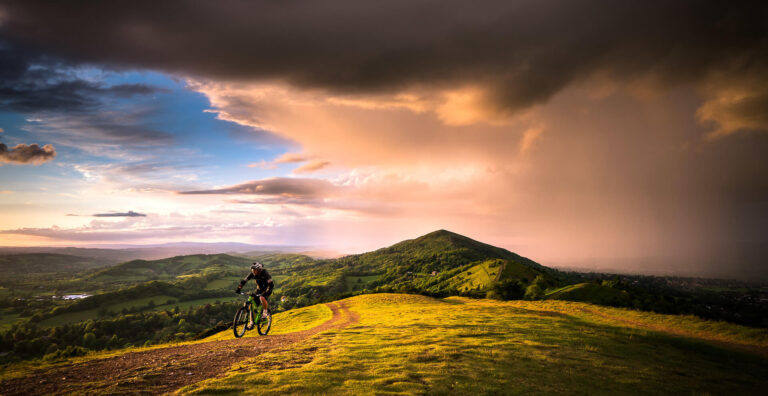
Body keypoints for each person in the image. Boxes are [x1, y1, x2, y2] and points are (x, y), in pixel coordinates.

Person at [235, 262, 274, 328]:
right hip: (259, 289)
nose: (253, 271)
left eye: (254, 270)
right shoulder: (252, 274)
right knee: (251, 304)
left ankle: (264, 314)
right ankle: (251, 322)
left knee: (262, 298)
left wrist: (266, 292)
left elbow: (271, 284)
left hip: (267, 289)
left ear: (259, 270)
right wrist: (239, 288)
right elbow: (244, 281)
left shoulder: (265, 273)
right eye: (252, 270)